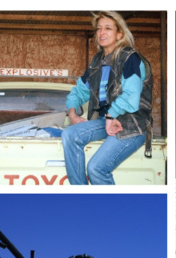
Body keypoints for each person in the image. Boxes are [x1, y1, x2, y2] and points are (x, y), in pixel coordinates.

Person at [62, 11, 154, 185]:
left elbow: (131, 95)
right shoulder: (97, 62)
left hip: (132, 124)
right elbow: (79, 91)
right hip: (107, 121)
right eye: (99, 29)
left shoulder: (129, 58)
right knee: (70, 134)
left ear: (119, 34)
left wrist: (112, 115)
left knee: (96, 168)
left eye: (108, 28)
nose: (101, 33)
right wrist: (73, 114)